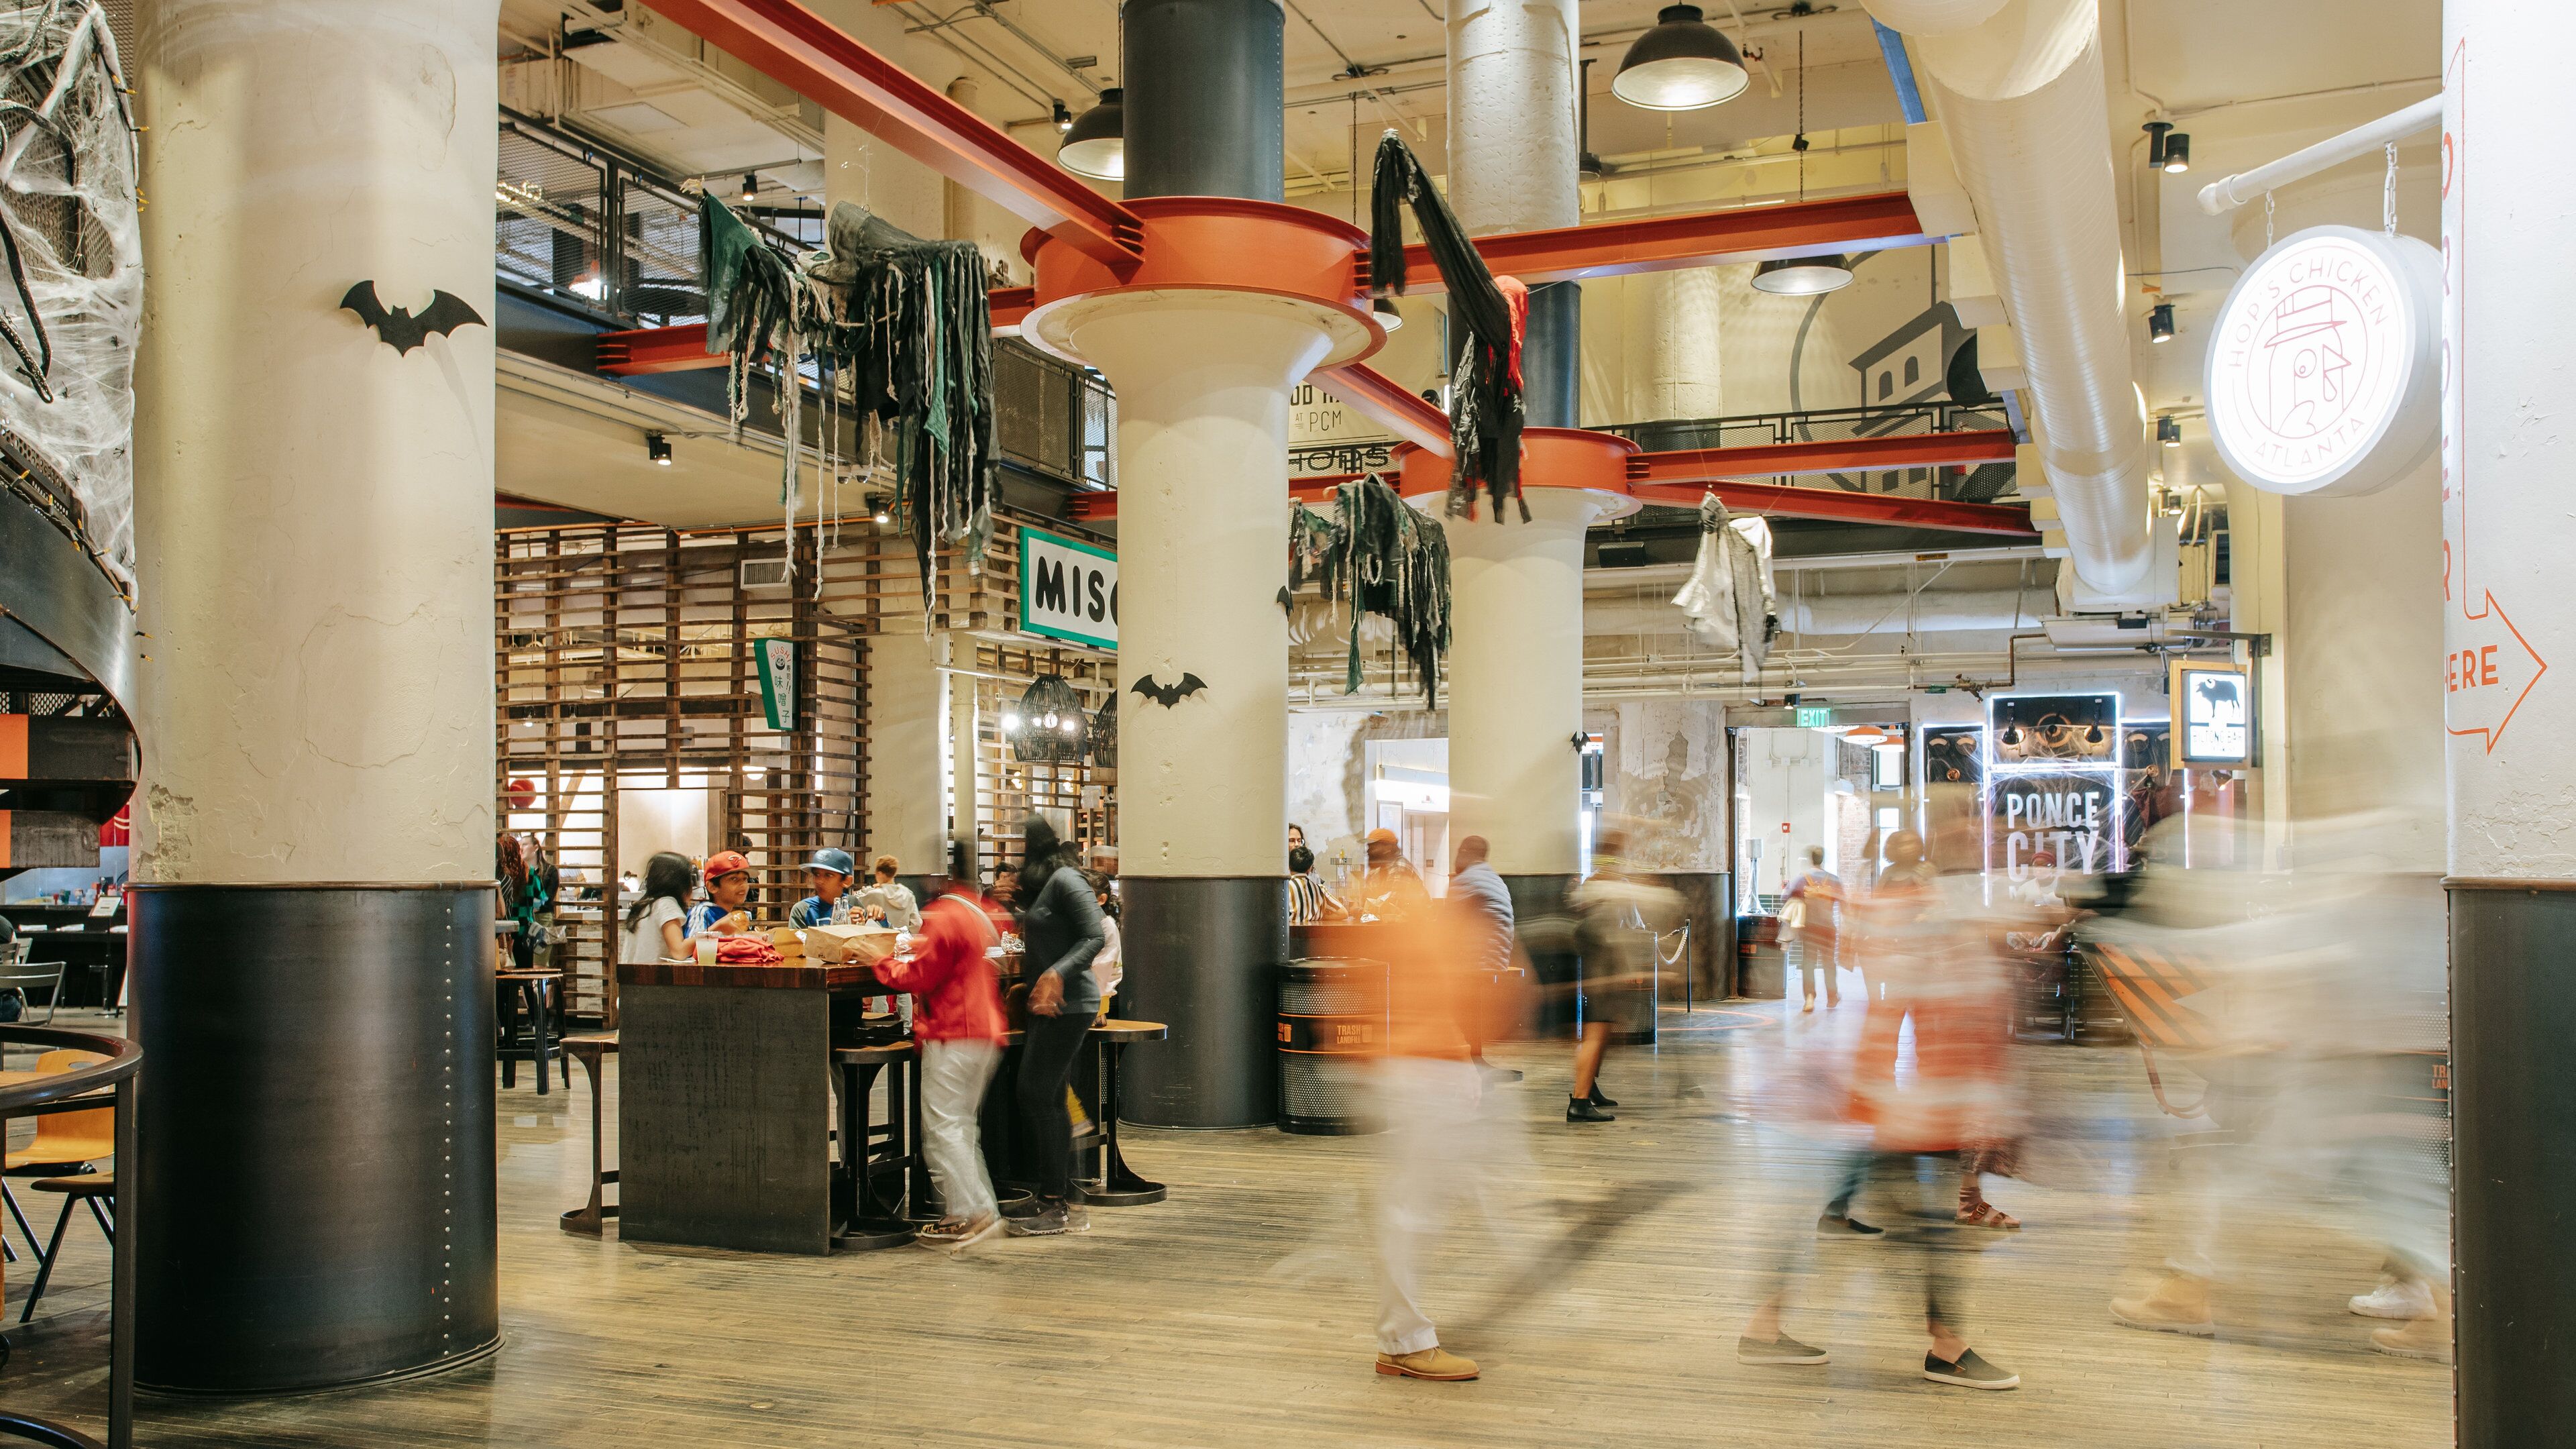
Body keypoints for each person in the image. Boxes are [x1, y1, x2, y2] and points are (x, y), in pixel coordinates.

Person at [1366, 884, 1523, 1382]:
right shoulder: (1426, 929)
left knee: (1419, 1210)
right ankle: (1404, 1340)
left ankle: (1404, 1335)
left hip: (1431, 1076)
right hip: (1421, 1079)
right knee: (1411, 1214)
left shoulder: (1433, 929)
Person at [870, 873, 1011, 1251]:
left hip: (954, 1030)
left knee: (945, 1127)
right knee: (962, 1127)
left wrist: (878, 961)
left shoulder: (945, 915)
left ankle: (976, 1213)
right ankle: (964, 1213)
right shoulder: (979, 911)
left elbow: (920, 974)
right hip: (985, 1030)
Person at [1010, 814, 1105, 1237]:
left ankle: (1057, 1202)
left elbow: (1094, 935)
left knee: (1036, 1093)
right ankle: (1060, 1197)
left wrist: (1056, 973)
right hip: (1053, 1004)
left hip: (1069, 1003)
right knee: (1048, 1097)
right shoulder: (1048, 885)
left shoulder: (1067, 879)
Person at [1566, 830, 1666, 1123]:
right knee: (1597, 1034)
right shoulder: (1618, 886)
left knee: (1600, 1033)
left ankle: (1589, 1087)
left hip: (1593, 967)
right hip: (1607, 969)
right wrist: (1629, 968)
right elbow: (1632, 926)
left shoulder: (1590, 884)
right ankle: (1580, 1101)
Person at [1446, 836, 1522, 1083]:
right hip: (1494, 960)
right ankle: (1472, 1058)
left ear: (1466, 852)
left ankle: (1459, 1059)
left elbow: (1447, 925)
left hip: (1477, 964)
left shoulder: (1466, 880)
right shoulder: (1491, 876)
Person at [1783, 846, 1843, 1012]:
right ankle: (1832, 997)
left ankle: (1809, 998)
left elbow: (1785, 898)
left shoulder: (1801, 880)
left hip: (1808, 929)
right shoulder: (1833, 880)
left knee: (1808, 962)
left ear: (1811, 859)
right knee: (1829, 963)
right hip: (1828, 928)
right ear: (1822, 859)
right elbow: (1844, 901)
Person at [621, 851, 695, 964]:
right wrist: (714, 933)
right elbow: (679, 951)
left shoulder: (644, 906)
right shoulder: (666, 904)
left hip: (632, 979)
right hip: (653, 979)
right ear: (681, 884)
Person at [1358, 828, 1426, 919]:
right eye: (1368, 847)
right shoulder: (1376, 872)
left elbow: (1389, 909)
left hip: (1418, 928)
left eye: (1373, 847)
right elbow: (1363, 902)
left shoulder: (1401, 867)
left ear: (1387, 848)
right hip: (1393, 927)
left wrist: (1361, 911)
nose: (1368, 852)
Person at [687, 851, 754, 938]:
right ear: (712, 887)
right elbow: (693, 948)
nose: (743, 885)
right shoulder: (703, 913)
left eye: (745, 879)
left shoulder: (729, 916)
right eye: (734, 879)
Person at [792, 847, 858, 928]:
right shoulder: (803, 910)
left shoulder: (854, 905)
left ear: (847, 881)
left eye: (828, 875)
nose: (820, 881)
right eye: (817, 874)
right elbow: (797, 939)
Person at [857, 855, 922, 932]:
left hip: (877, 941)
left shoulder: (873, 894)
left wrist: (869, 889)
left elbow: (855, 904)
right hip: (902, 941)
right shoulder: (908, 895)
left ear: (879, 874)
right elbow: (917, 923)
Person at [1287, 843, 1345, 924]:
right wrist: (1321, 917)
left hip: (1290, 935)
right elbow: (1343, 913)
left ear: (1289, 867)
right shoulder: (1321, 889)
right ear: (1309, 869)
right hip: (1315, 935)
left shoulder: (1285, 889)